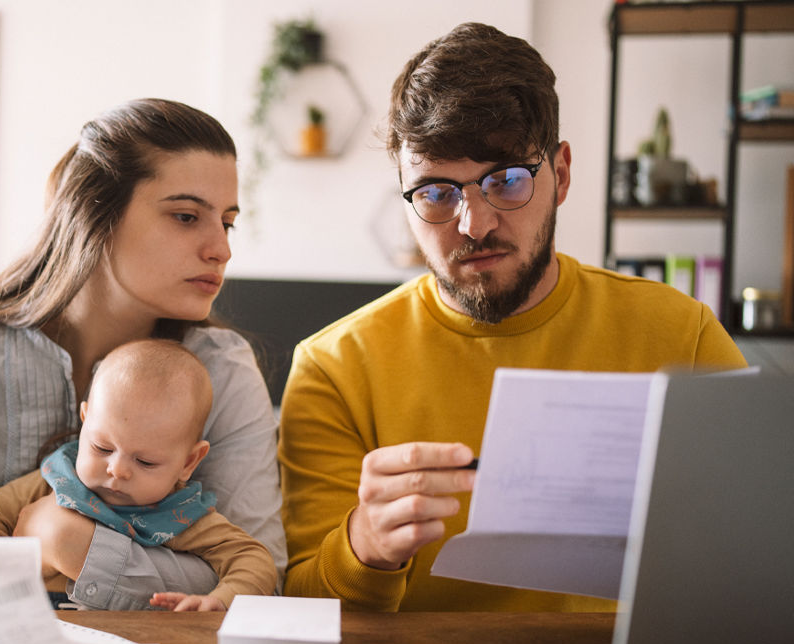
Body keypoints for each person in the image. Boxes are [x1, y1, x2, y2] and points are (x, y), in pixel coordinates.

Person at [278, 23, 747, 613]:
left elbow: (766, 551)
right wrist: (365, 547)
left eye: (506, 180)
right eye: (436, 192)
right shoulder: (333, 368)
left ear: (563, 175)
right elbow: (300, 612)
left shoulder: (684, 336)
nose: (474, 224)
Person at [0, 99, 286, 629]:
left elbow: (262, 573)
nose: (221, 249)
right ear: (94, 216)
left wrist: (68, 544)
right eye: (186, 217)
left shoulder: (222, 370)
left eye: (227, 222)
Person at [0, 338, 278, 611]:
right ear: (85, 421)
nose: (117, 469)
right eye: (102, 447)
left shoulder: (180, 515)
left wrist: (222, 599)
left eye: (145, 461)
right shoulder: (58, 478)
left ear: (189, 462)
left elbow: (254, 560)